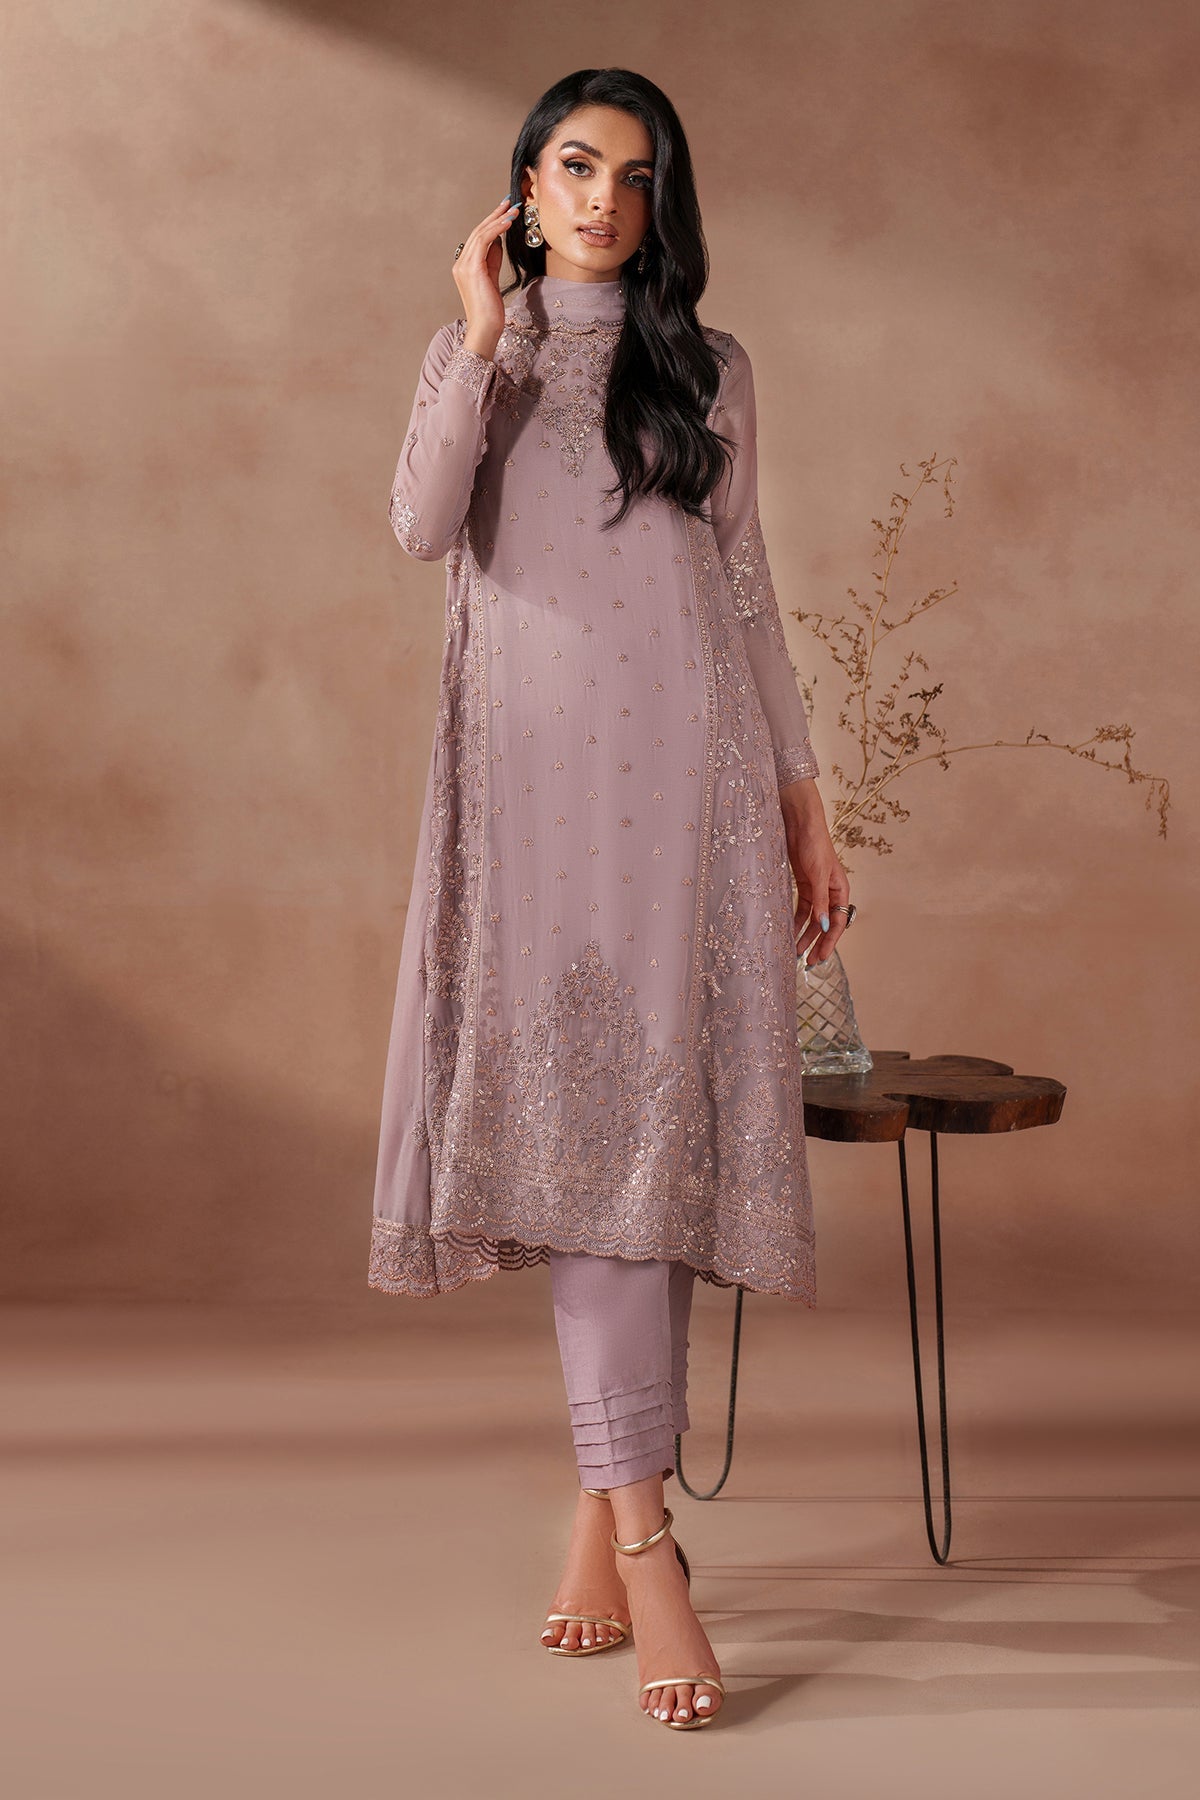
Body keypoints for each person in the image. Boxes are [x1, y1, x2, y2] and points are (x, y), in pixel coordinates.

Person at [369, 67, 852, 1731]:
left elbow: (747, 586)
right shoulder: (480, 360)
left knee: (657, 1144)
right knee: (592, 1140)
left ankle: (611, 1514)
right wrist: (477, 330)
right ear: (524, 186)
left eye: (634, 179)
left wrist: (801, 802)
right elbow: (421, 527)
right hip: (530, 802)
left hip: (691, 797)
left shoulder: (708, 368)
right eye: (575, 167)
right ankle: (647, 1542)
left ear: (662, 207)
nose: (601, 200)